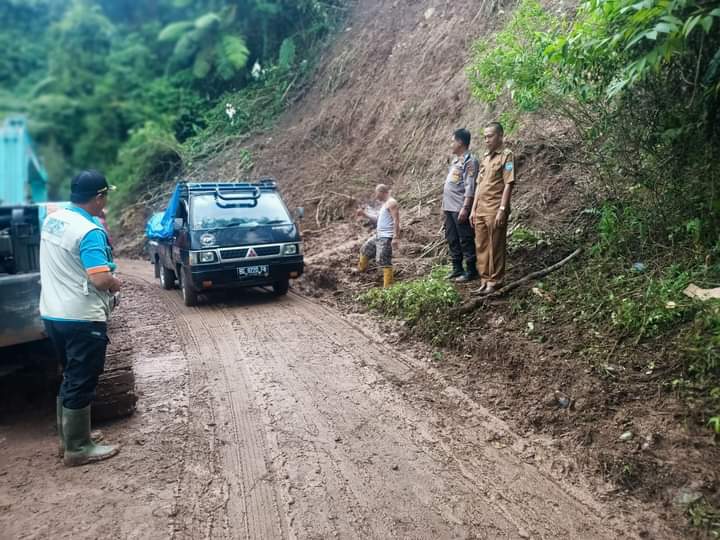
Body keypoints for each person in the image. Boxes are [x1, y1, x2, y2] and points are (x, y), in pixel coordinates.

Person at [40, 170, 122, 467]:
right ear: (99, 197)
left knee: (70, 374)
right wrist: (116, 282)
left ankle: (70, 438)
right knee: (82, 378)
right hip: (80, 317)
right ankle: (78, 448)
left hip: (52, 313)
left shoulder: (54, 220)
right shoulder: (89, 231)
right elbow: (99, 278)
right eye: (105, 196)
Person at [470, 122, 515, 294]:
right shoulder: (485, 158)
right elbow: (479, 185)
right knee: (481, 245)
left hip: (495, 208)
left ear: (500, 136)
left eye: (490, 136)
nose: (486, 140)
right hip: (481, 209)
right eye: (485, 136)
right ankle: (484, 278)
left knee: (495, 246)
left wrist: (502, 209)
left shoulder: (506, 156)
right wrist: (473, 209)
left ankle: (495, 281)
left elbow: (508, 184)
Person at [442, 128, 480, 282]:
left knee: (465, 238)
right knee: (452, 238)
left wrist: (466, 207)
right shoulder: (456, 161)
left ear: (460, 142)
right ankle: (457, 268)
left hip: (459, 207)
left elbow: (470, 186)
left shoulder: (470, 161)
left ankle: (471, 270)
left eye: (452, 141)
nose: (451, 144)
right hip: (449, 207)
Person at [356, 184, 400, 288]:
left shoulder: (392, 203)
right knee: (365, 249)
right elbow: (377, 219)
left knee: (383, 260)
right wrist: (364, 214)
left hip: (386, 237)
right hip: (378, 235)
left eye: (376, 193)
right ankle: (360, 271)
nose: (376, 196)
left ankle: (388, 287)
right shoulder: (384, 205)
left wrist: (396, 237)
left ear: (381, 192)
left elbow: (396, 220)